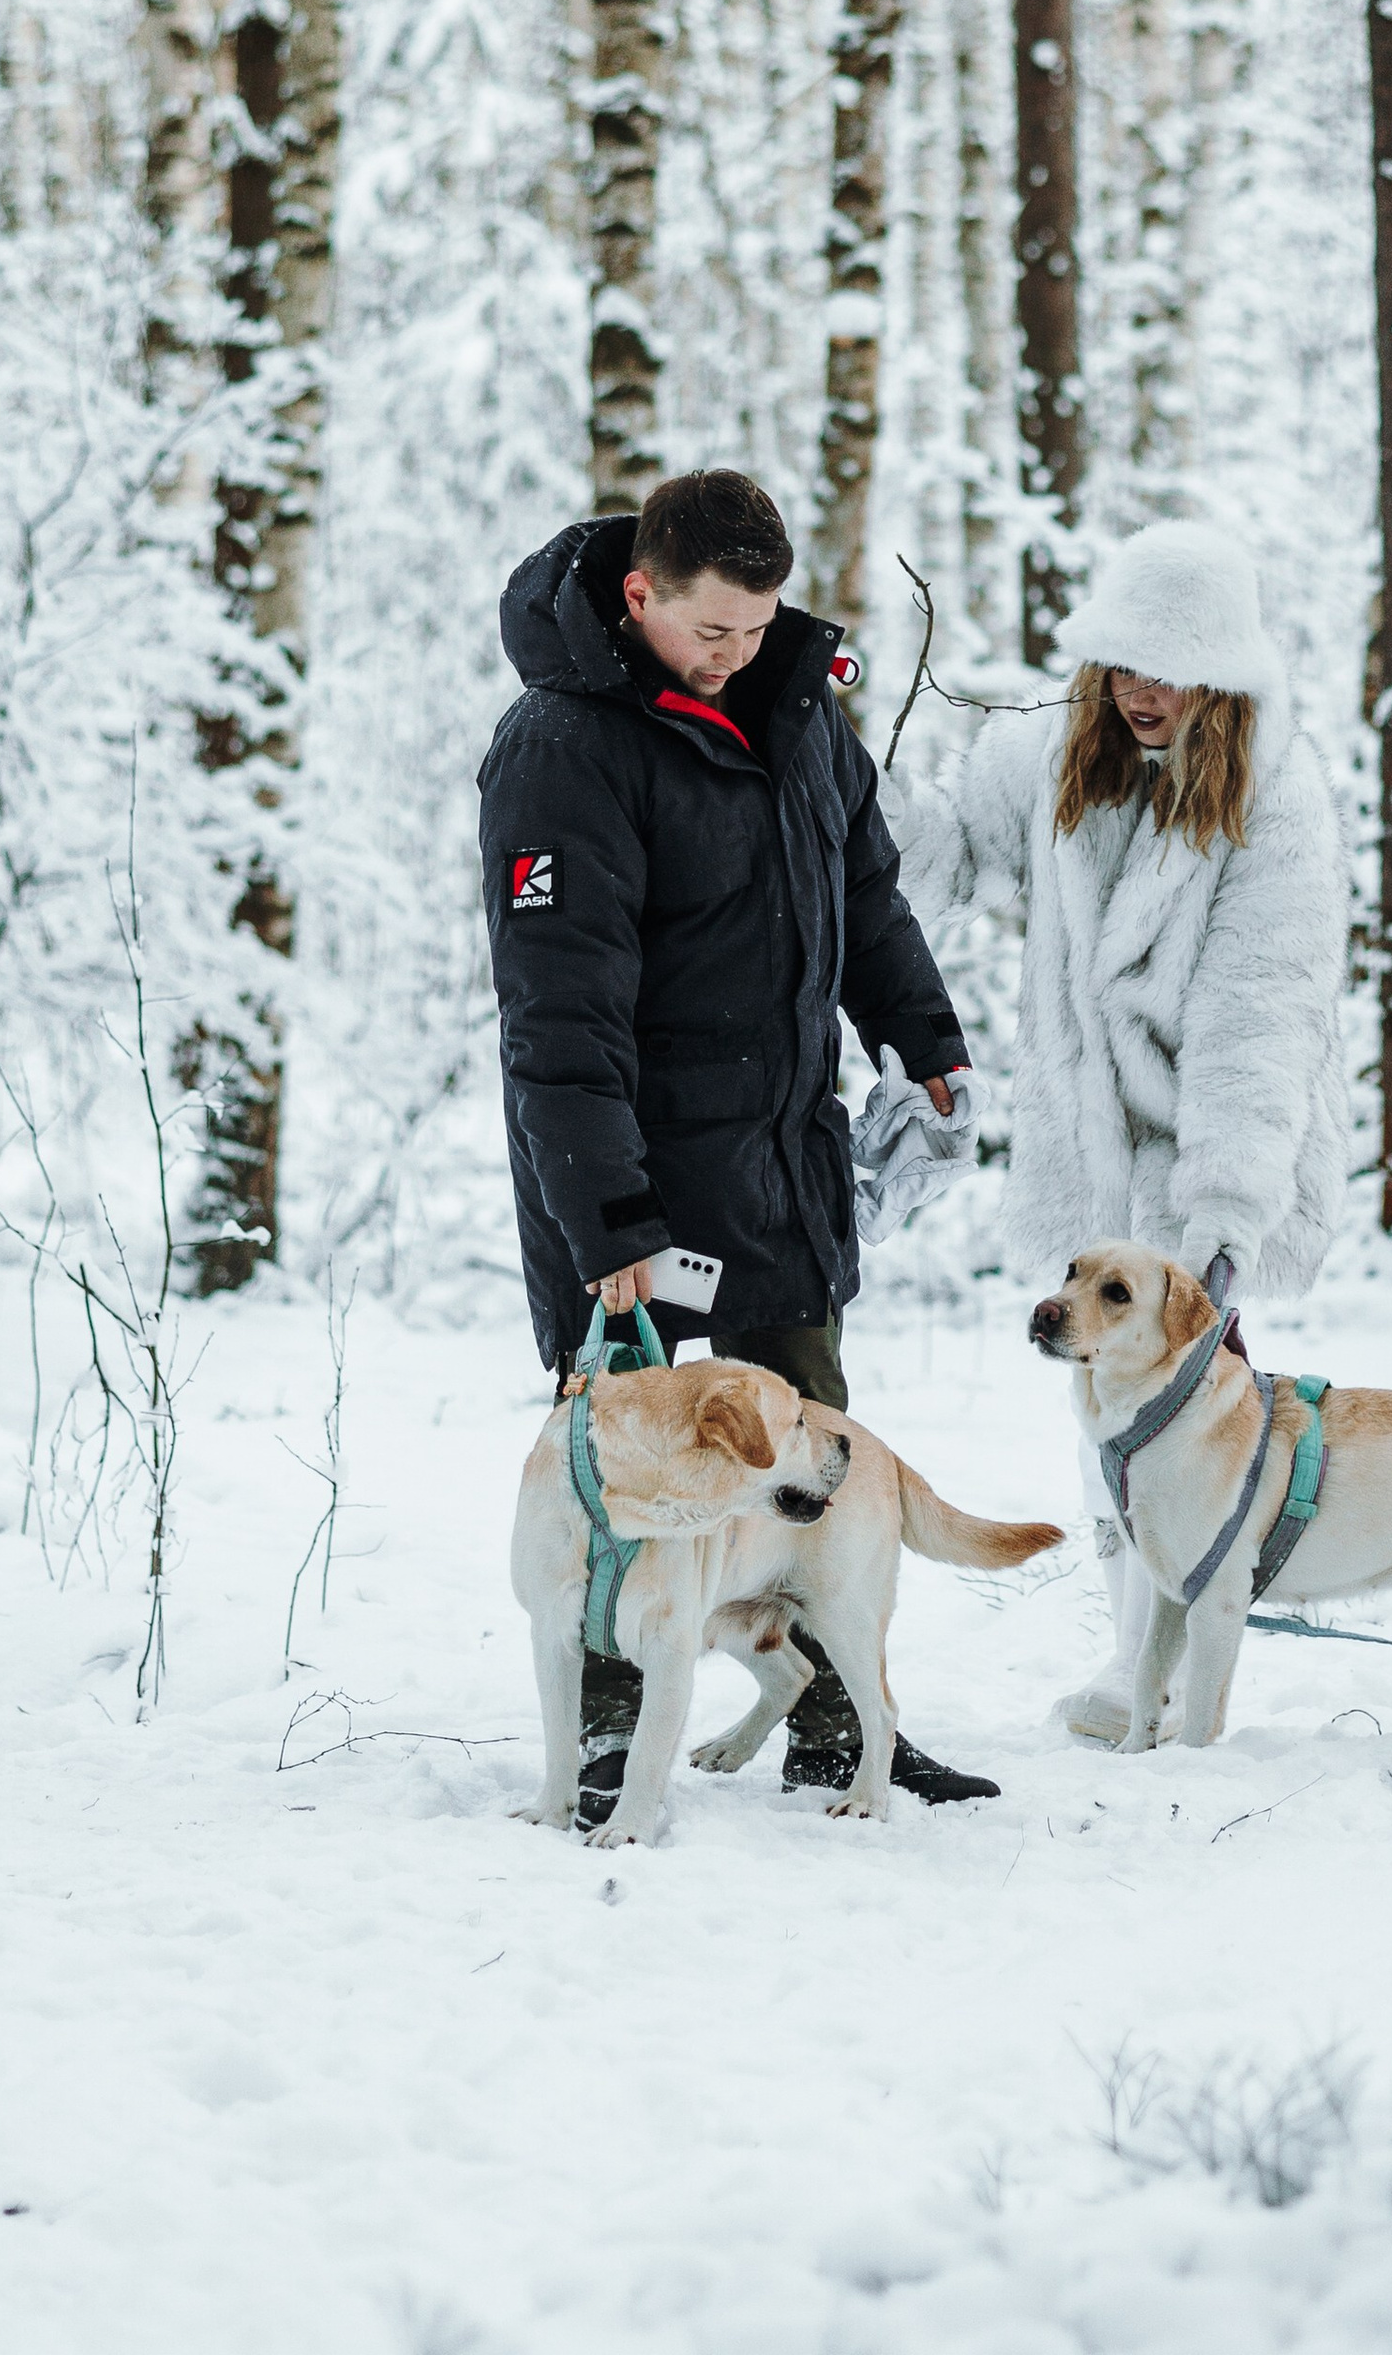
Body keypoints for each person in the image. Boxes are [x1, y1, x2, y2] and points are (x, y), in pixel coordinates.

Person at [478, 467, 996, 1813]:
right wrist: (611, 1231)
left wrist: (923, 1043)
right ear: (639, 593)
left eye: (757, 629)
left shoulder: (796, 707)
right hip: (630, 1181)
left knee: (814, 1463)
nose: (735, 656)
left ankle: (839, 1717)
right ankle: (606, 1724)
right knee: (620, 1481)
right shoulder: (561, 750)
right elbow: (557, 1017)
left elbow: (864, 895)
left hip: (777, 1163)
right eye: (710, 632)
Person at [882, 520, 1350, 1737]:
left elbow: (1261, 1025)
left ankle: (1165, 1680)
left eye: (1174, 668)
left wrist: (1222, 1221)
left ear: (1226, 677)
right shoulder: (1045, 760)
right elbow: (936, 868)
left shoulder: (1275, 801)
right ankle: (1127, 1666)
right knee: (1108, 1429)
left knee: (1187, 1435)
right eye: (1127, 665)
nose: (1145, 693)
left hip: (1214, 1161)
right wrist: (849, 773)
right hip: (1094, 1162)